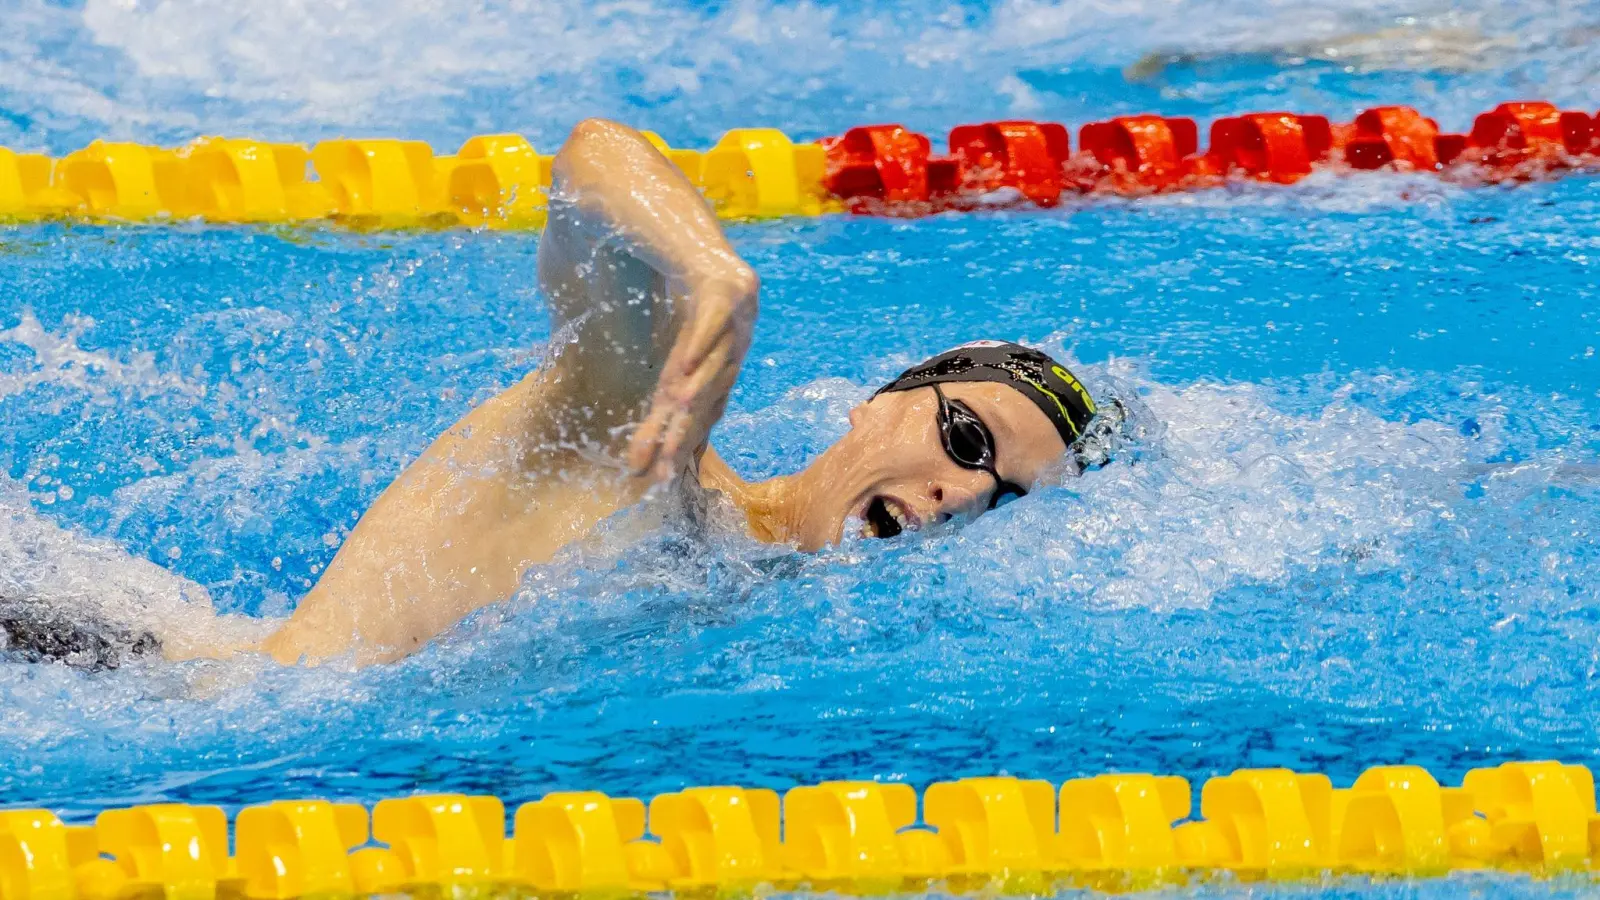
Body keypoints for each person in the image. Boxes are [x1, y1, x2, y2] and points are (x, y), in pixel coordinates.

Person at [249, 119, 1104, 665]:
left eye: (1007, 502)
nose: (963, 498)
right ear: (879, 403)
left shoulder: (771, 608)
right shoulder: (645, 464)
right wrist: (709, 269)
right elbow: (593, 158)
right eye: (967, 440)